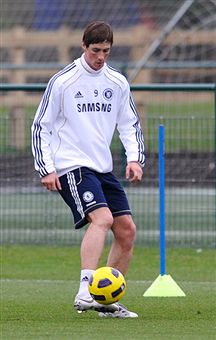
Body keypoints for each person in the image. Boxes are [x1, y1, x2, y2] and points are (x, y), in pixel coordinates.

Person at [31, 21, 145, 318]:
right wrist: (46, 167)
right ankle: (85, 291)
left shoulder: (117, 82)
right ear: (84, 47)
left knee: (127, 231)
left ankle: (105, 301)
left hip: (103, 167)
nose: (101, 57)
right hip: (72, 164)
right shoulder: (63, 81)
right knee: (102, 219)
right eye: (95, 50)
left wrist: (134, 158)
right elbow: (41, 126)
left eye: (106, 51)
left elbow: (129, 123)